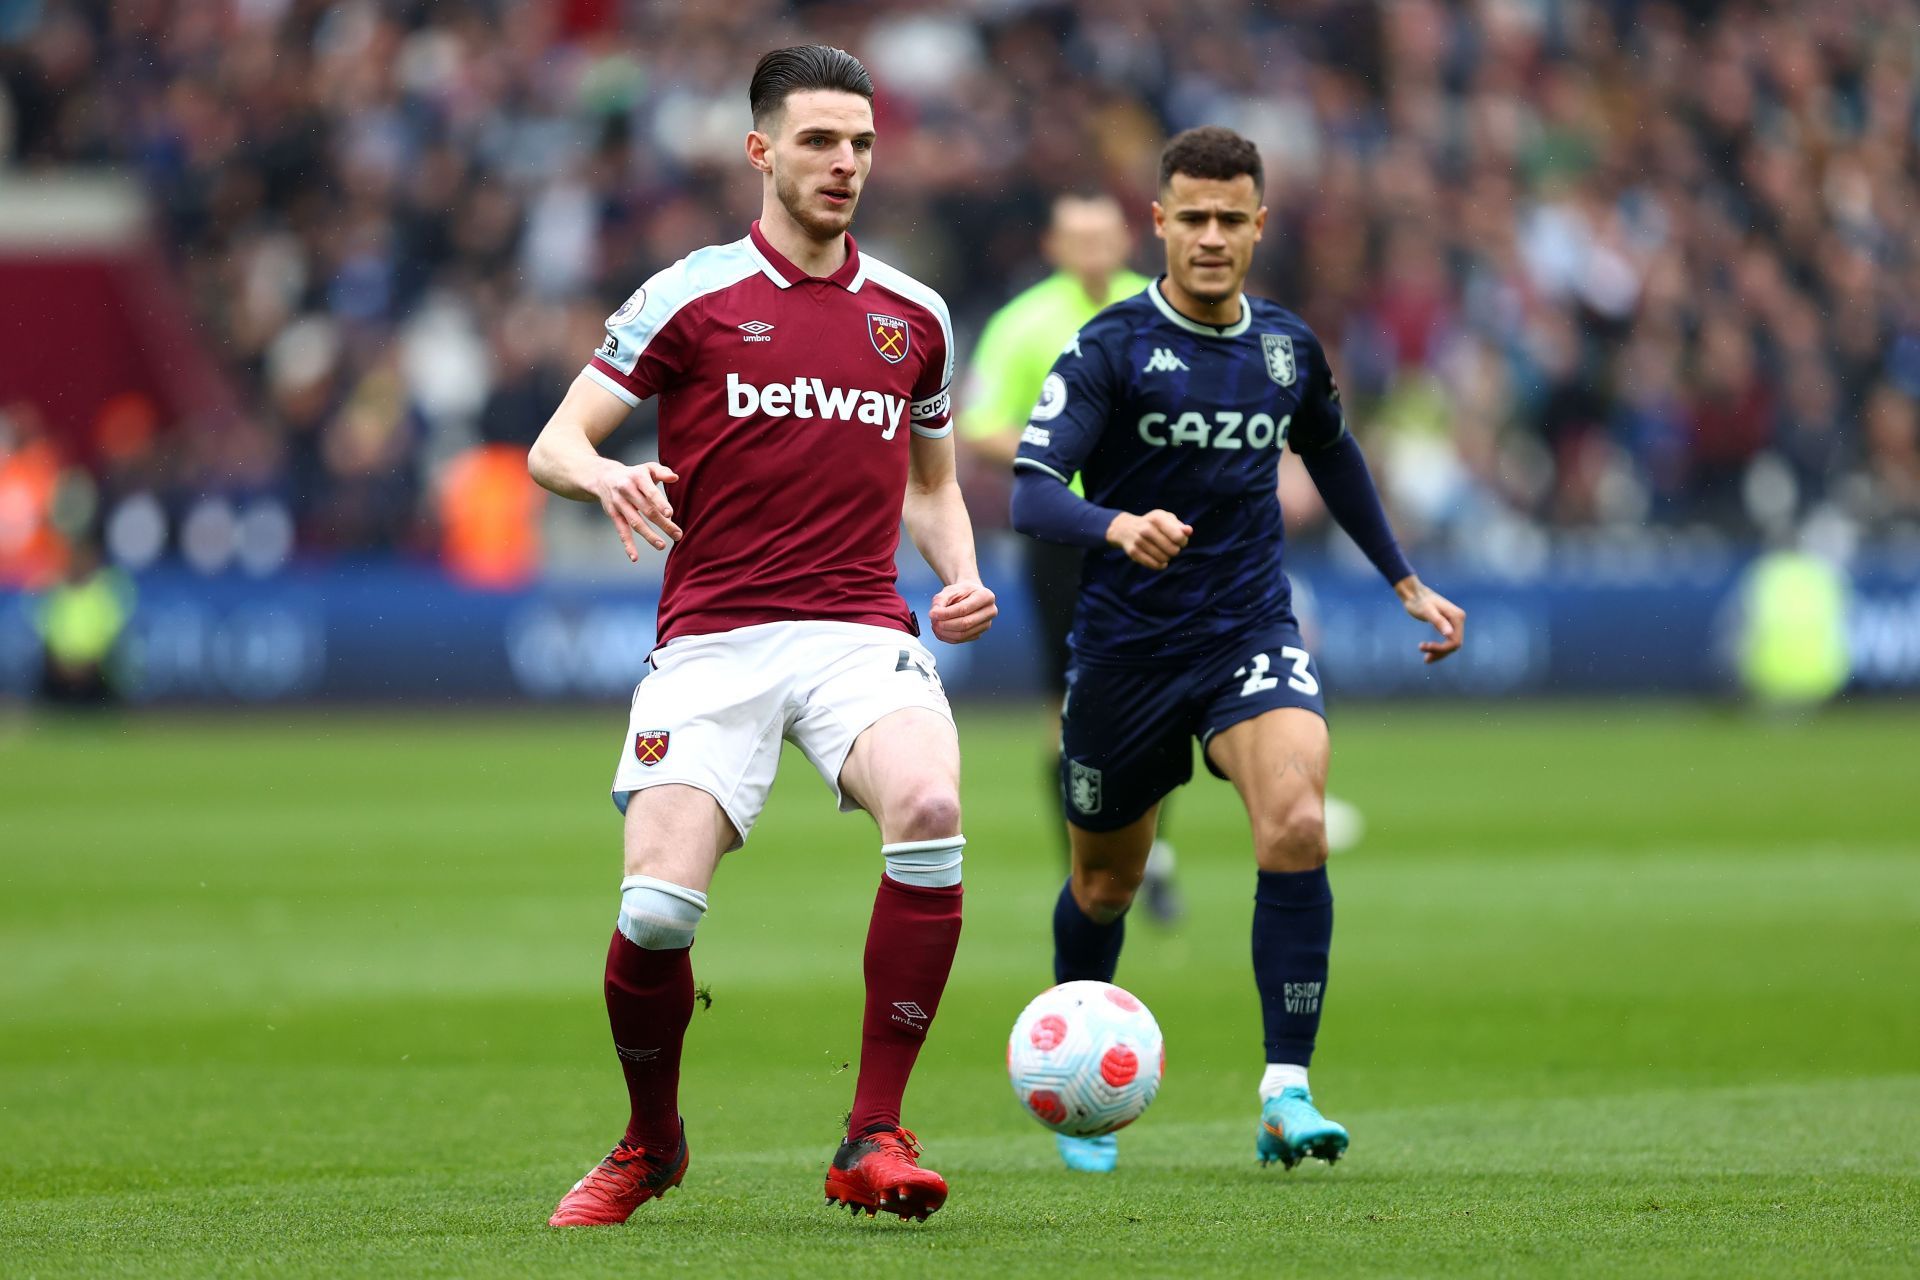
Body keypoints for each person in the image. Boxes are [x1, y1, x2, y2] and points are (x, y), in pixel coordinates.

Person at [526, 45, 997, 1227]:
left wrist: (964, 572)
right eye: (820, 142)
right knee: (656, 914)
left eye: (863, 144)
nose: (846, 164)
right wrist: (606, 477)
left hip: (857, 630)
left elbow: (929, 486)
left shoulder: (915, 315)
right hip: (714, 638)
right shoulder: (688, 295)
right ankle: (652, 1139)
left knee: (932, 810)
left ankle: (873, 1131)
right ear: (762, 151)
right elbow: (553, 444)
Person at [1009, 127, 1465, 1175]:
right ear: (1158, 222)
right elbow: (1034, 489)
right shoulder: (1107, 347)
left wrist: (1402, 576)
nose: (1211, 237)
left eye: (1232, 219)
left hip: (1247, 632)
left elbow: (1333, 452)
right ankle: (1082, 1098)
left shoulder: (1288, 348)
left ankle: (1286, 1089)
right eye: (1192, 218)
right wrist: (1115, 526)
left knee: (1298, 820)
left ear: (1259, 226)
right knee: (1104, 887)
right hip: (1124, 653)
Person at [957, 196, 1187, 922]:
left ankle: (1149, 854)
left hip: (1153, 531)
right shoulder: (1023, 323)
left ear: (1127, 237)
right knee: (1071, 702)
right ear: (1055, 243)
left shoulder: (1162, 310)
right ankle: (1084, 868)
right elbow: (981, 424)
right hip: (1066, 535)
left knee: (1161, 698)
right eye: (1077, 236)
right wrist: (1059, 443)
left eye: (1103, 234)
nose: (1091, 247)